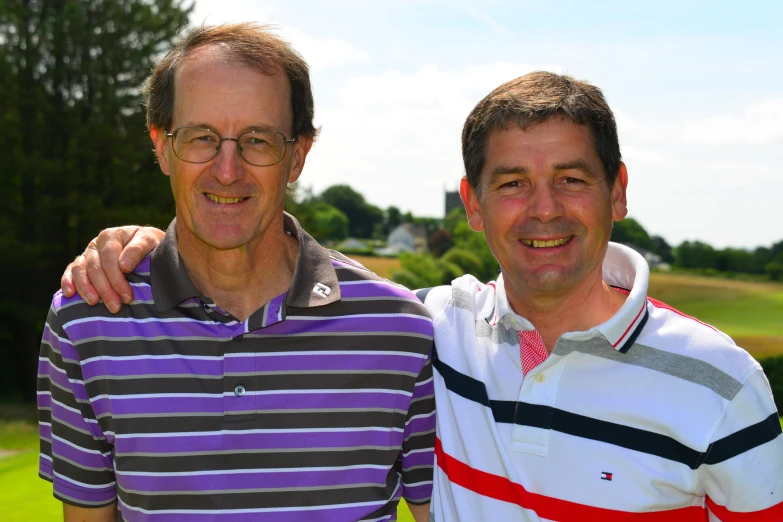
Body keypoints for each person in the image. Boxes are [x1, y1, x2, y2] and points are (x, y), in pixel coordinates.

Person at [62, 72, 783, 521]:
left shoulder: (720, 383)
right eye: (510, 184)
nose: (543, 210)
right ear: (471, 204)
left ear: (616, 191)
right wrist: (140, 244)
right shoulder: (430, 327)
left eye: (571, 178)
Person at [39, 23, 434, 522]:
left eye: (258, 140)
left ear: (297, 156)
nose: (228, 170)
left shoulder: (400, 330)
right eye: (201, 137)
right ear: (162, 147)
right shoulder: (88, 321)